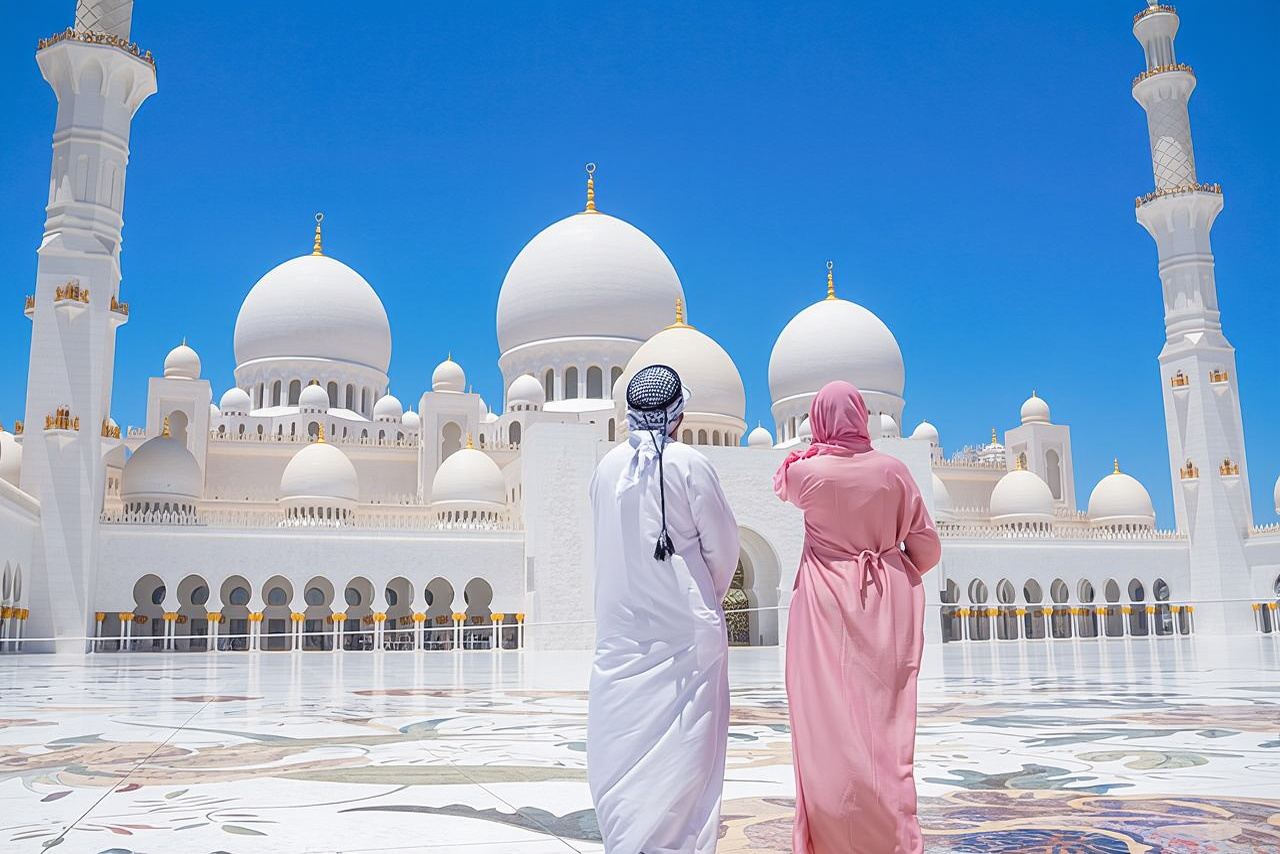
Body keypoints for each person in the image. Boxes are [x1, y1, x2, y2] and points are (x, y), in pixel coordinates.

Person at [774, 380, 942, 854]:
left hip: (823, 611)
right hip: (887, 608)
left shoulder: (808, 476)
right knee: (886, 725)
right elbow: (927, 548)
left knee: (826, 724)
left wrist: (811, 452)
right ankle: (893, 837)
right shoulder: (894, 471)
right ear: (863, 417)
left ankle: (830, 836)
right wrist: (890, 565)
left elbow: (783, 478)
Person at [587, 364, 740, 854]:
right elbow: (724, 548)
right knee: (687, 752)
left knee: (621, 745)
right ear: (678, 413)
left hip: (620, 637)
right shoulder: (689, 464)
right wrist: (700, 600)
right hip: (686, 641)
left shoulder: (605, 469)